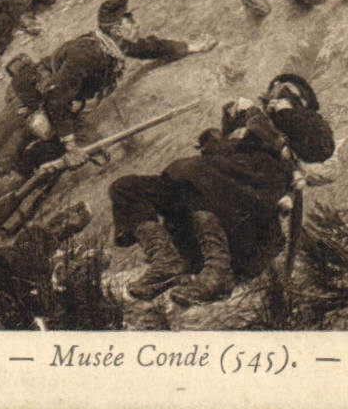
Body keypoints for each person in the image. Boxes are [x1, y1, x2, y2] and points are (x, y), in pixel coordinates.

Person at [0, 0, 197, 246]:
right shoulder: (86, 54)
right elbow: (56, 99)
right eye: (130, 21)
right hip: (31, 100)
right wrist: (70, 146)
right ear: (116, 29)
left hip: (60, 106)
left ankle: (24, 173)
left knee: (84, 152)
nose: (136, 25)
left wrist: (188, 47)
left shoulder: (116, 44)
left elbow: (148, 47)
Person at [107, 73, 335, 306]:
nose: (277, 93)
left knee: (193, 173)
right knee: (126, 188)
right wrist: (229, 126)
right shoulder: (249, 118)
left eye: (286, 90)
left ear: (303, 100)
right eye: (274, 89)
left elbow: (323, 152)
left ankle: (218, 271)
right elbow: (223, 152)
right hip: (216, 183)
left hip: (257, 188)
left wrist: (284, 114)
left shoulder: (306, 122)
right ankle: (166, 261)